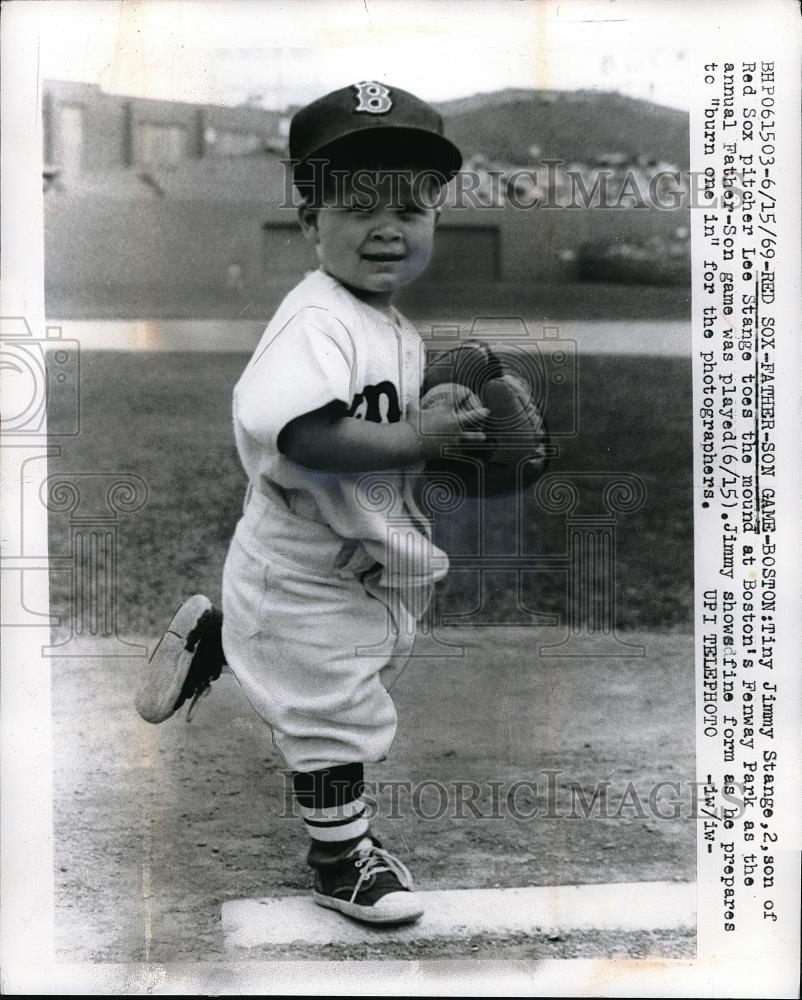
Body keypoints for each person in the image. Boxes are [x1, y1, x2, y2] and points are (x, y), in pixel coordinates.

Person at [135, 82, 486, 926]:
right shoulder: (315, 321)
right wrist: (419, 441)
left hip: (359, 554)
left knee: (359, 675)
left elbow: (373, 440)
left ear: (436, 220)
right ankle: (340, 862)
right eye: (357, 204)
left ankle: (226, 637)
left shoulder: (390, 325)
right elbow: (304, 435)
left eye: (410, 204)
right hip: (300, 559)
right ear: (308, 223)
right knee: (335, 715)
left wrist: (446, 437)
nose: (387, 226)